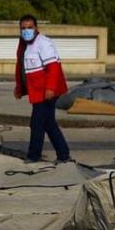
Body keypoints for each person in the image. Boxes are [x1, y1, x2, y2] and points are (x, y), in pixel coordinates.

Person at [13, 14, 71, 163]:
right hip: (38, 91)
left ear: (36, 28)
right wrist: (19, 88)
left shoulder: (44, 43)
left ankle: (33, 156)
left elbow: (53, 68)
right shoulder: (23, 45)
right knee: (48, 123)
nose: (26, 31)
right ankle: (63, 154)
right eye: (23, 28)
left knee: (37, 123)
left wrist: (50, 89)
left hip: (48, 91)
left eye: (30, 28)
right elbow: (21, 67)